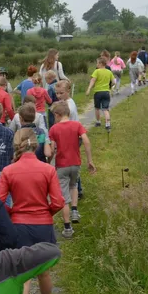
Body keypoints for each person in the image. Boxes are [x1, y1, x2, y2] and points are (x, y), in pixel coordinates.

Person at [0, 130, 65, 294]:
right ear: (35, 146)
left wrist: (12, 213)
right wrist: (47, 213)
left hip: (19, 224)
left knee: (23, 277)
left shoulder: (8, 170)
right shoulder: (47, 169)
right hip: (42, 224)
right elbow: (58, 201)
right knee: (43, 270)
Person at [47, 102, 96, 238]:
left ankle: (67, 228)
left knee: (63, 198)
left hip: (62, 165)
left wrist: (48, 161)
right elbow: (86, 141)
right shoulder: (77, 125)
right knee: (73, 185)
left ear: (57, 115)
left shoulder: (54, 129)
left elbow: (52, 150)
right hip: (76, 163)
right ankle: (75, 210)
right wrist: (90, 160)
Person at [55, 79, 84, 200]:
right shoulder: (67, 102)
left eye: (61, 93)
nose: (59, 96)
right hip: (71, 136)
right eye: (57, 93)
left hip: (72, 137)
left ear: (68, 91)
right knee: (72, 161)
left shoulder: (68, 105)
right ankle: (77, 188)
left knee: (70, 161)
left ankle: (76, 188)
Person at [86, 57, 115, 131]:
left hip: (98, 92)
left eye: (97, 63)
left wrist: (89, 89)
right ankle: (108, 124)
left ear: (101, 64)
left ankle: (98, 122)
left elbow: (93, 80)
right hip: (106, 92)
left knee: (97, 108)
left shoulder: (96, 71)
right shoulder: (109, 72)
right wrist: (110, 87)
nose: (97, 64)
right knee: (105, 109)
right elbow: (114, 82)